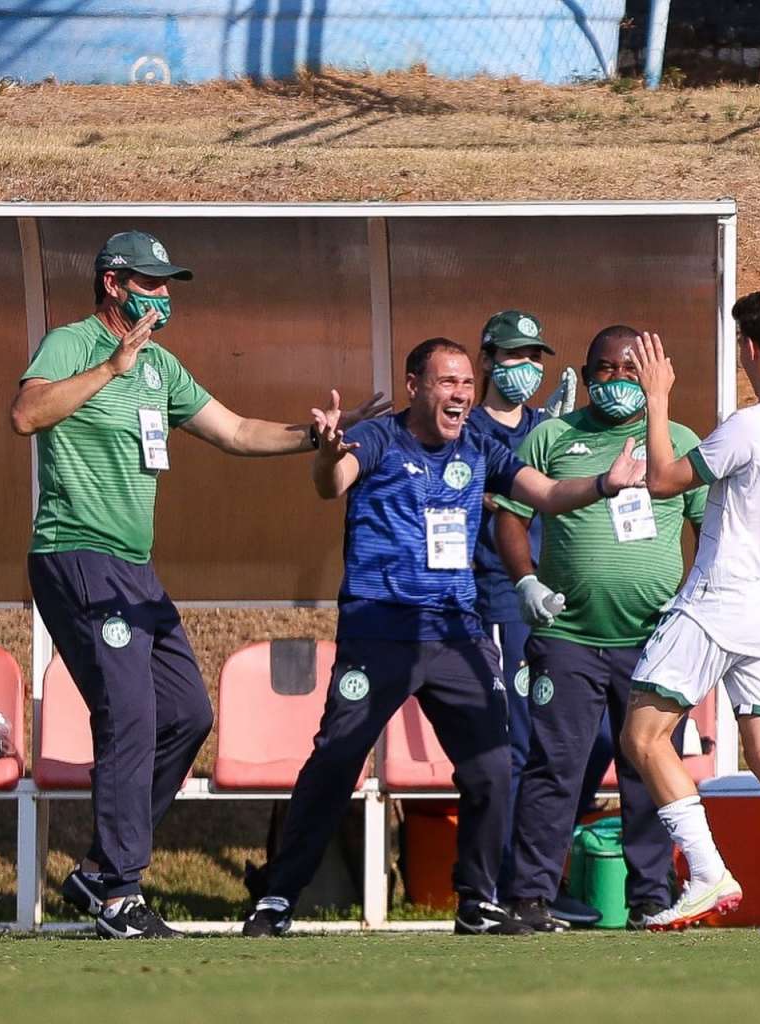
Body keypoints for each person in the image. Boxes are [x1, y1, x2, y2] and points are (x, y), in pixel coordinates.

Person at [10, 230, 388, 940]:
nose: (164, 295)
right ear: (114, 284)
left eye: (168, 283)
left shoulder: (161, 366)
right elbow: (27, 414)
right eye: (151, 283)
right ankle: (120, 892)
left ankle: (100, 867)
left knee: (186, 713)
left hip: (133, 567)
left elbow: (238, 431)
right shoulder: (72, 344)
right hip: (76, 555)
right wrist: (109, 368)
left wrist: (321, 439)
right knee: (128, 714)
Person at [242, 336, 646, 938]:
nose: (459, 394)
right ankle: (277, 898)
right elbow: (333, 482)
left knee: (492, 768)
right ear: (415, 387)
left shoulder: (481, 446)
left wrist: (604, 485)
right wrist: (326, 453)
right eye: (446, 382)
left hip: (458, 634)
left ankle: (477, 901)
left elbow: (544, 493)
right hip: (380, 629)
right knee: (336, 761)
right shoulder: (379, 437)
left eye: (464, 384)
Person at [621, 286, 760, 933]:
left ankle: (708, 873)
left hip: (721, 603)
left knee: (643, 736)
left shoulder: (751, 424)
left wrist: (657, 401)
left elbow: (663, 479)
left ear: (749, 347)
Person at [494, 324, 707, 933]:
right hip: (569, 639)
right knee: (554, 765)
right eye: (603, 372)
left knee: (646, 767)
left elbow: (706, 527)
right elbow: (511, 518)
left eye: (627, 370)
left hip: (653, 639)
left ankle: (652, 895)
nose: (615, 382)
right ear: (585, 378)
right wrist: (525, 581)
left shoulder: (678, 440)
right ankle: (531, 895)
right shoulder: (552, 437)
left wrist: (694, 605)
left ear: (650, 376)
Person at [466, 310, 608, 922]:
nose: (523, 369)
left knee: (595, 738)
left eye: (533, 358)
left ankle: (537, 871)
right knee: (520, 745)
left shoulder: (546, 427)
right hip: (498, 598)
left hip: (558, 604)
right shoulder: (465, 426)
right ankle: (511, 889)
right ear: (488, 359)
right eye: (512, 356)